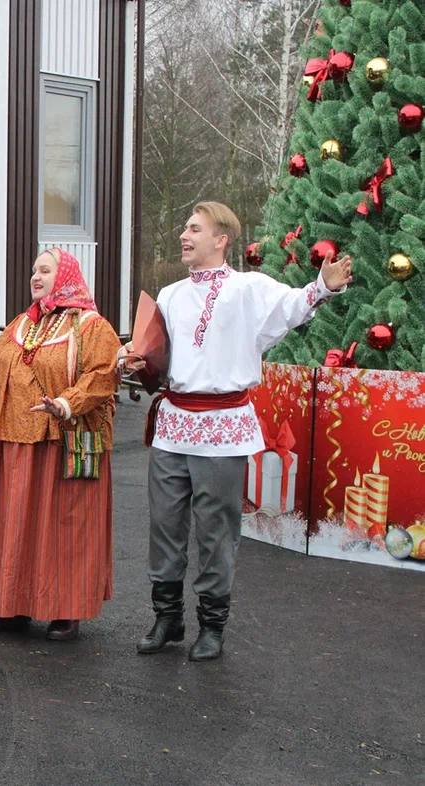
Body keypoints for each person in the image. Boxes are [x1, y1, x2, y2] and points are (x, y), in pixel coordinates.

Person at [124, 201, 351, 661]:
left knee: (215, 529)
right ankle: (167, 617)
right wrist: (137, 360)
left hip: (223, 427)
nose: (184, 236)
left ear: (221, 238)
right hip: (172, 426)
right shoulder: (168, 295)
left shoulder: (249, 288)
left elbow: (291, 306)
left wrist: (321, 288)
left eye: (194, 229)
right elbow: (159, 356)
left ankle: (212, 624)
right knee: (165, 525)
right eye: (184, 228)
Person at [0, 249, 120, 640]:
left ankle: (66, 607)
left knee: (65, 525)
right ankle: (13, 604)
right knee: (16, 524)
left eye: (45, 270)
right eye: (34, 269)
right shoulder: (21, 325)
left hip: (65, 440)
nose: (35, 276)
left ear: (65, 276)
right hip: (14, 438)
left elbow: (103, 376)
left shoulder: (91, 327)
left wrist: (66, 404)